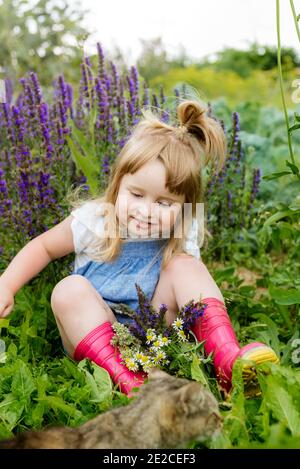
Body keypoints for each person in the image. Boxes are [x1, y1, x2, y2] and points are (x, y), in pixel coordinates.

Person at [0, 100, 278, 397]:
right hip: (97, 336)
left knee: (186, 267)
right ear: (118, 184)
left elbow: (190, 291)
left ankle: (227, 362)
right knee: (68, 290)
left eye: (164, 202)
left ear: (185, 207)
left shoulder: (181, 230)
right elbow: (43, 247)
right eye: (136, 194)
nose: (146, 211)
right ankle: (130, 384)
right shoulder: (95, 220)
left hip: (158, 338)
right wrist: (6, 284)